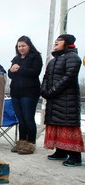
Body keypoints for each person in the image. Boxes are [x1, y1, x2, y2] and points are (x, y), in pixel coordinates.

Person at [41, 34, 84, 166]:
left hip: (67, 99)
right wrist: (43, 90)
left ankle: (75, 156)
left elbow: (69, 77)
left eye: (59, 41)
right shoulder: (53, 60)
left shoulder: (73, 58)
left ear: (67, 43)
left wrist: (53, 90)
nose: (56, 42)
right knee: (56, 124)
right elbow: (46, 77)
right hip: (54, 98)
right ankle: (60, 151)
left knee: (67, 125)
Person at [8, 36, 43, 154]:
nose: (21, 48)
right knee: (20, 119)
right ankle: (22, 142)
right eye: (19, 46)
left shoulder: (36, 57)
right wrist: (11, 71)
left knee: (28, 118)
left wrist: (19, 69)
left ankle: (31, 143)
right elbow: (10, 75)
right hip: (16, 92)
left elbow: (35, 72)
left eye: (23, 46)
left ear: (29, 45)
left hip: (29, 92)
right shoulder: (16, 58)